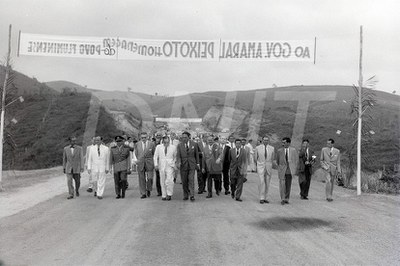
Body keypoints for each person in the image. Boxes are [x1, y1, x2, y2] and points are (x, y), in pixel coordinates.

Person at [176, 131, 200, 201]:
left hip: (192, 164)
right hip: (183, 165)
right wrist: (178, 162)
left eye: (185, 137)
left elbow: (197, 155)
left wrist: (198, 163)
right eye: (183, 137)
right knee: (184, 181)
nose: (184, 139)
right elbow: (178, 156)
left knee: (191, 180)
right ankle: (185, 195)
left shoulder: (194, 144)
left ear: (189, 137)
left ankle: (192, 195)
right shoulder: (179, 145)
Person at [276, 137, 298, 205]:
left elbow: (296, 160)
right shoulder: (279, 151)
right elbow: (277, 161)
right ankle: (282, 198)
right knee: (282, 185)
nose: (283, 144)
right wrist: (280, 168)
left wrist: (294, 168)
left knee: (288, 185)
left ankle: (286, 198)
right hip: (282, 170)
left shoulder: (293, 150)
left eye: (284, 142)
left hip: (290, 170)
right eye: (282, 142)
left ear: (288, 143)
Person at [154, 135, 177, 201]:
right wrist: (156, 165)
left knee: (170, 180)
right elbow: (155, 156)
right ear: (163, 141)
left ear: (169, 141)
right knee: (162, 181)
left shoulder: (173, 147)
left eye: (167, 142)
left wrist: (174, 164)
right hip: (162, 165)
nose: (166, 144)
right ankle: (164, 195)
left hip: (170, 165)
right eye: (165, 142)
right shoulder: (159, 147)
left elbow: (175, 156)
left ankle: (169, 194)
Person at [254, 136, 275, 204]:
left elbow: (272, 158)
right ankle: (261, 197)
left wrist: (270, 165)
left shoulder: (272, 148)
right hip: (260, 166)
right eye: (264, 140)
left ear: (268, 141)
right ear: (262, 140)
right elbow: (255, 158)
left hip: (268, 166)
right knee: (261, 181)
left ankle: (266, 197)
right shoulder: (258, 148)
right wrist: (257, 165)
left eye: (267, 140)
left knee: (267, 182)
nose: (265, 141)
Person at [135, 132, 156, 198]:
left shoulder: (151, 144)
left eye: (145, 137)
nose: (143, 139)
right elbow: (136, 153)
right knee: (141, 178)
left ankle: (149, 189)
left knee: (150, 178)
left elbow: (154, 153)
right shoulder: (137, 144)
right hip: (141, 163)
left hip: (149, 163)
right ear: (140, 138)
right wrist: (138, 160)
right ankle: (143, 193)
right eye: (142, 138)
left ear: (147, 137)